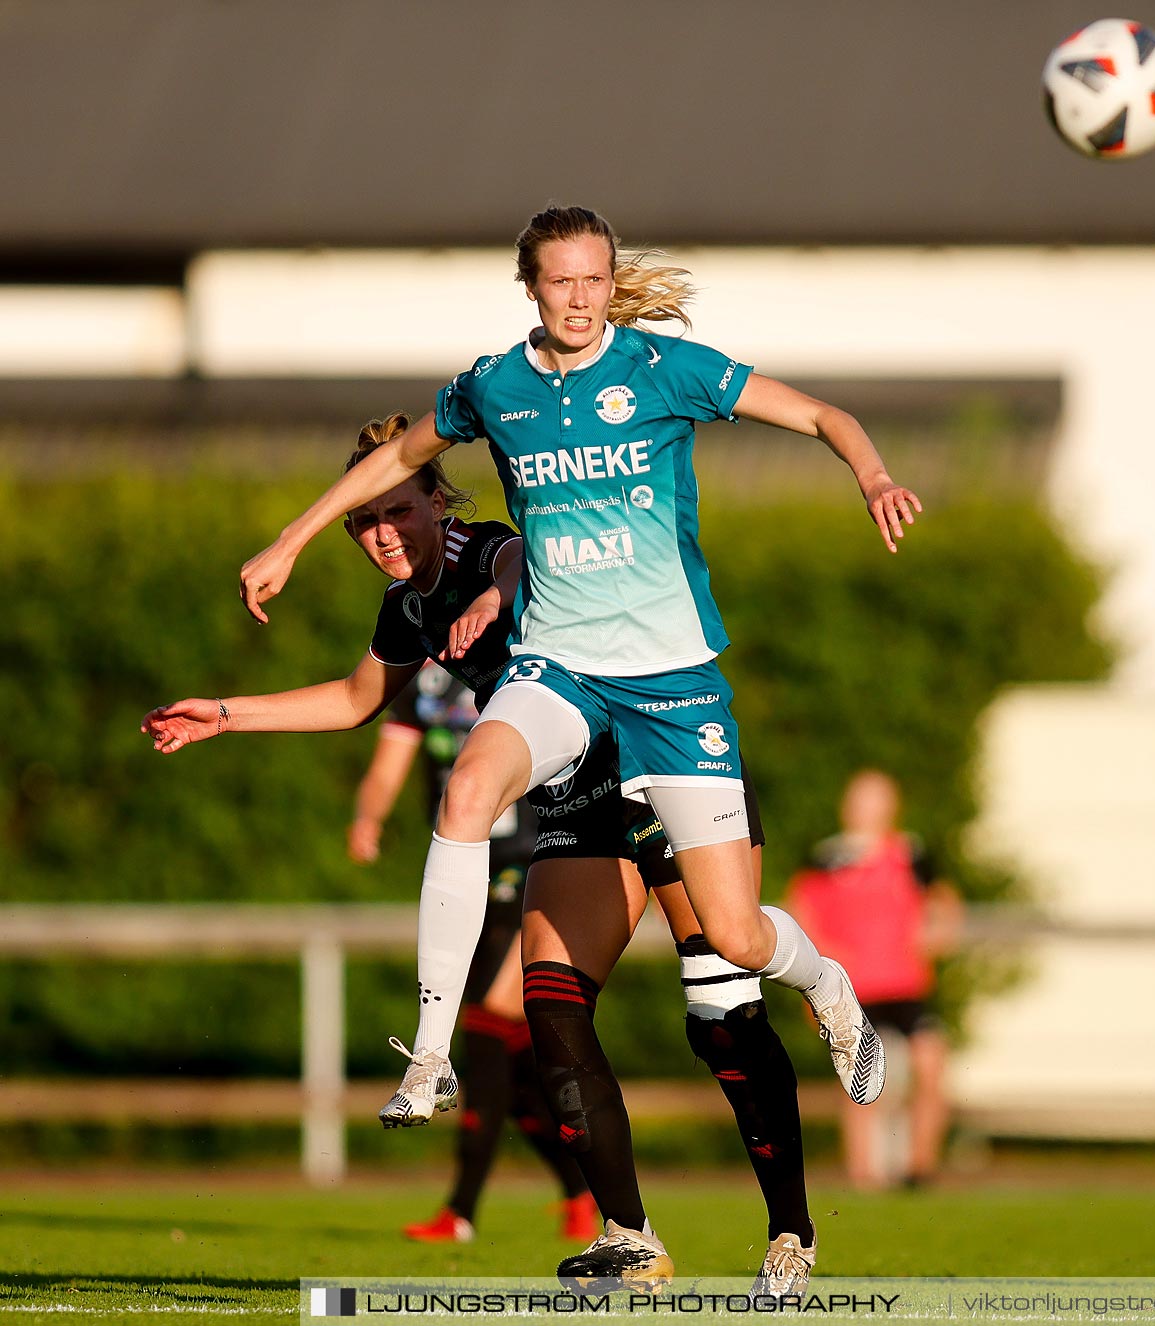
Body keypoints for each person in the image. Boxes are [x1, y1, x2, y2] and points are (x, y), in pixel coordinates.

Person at [236, 207, 916, 1284]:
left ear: (610, 282)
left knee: (735, 952)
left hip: (673, 689)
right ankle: (431, 1062)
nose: (581, 297)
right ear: (532, 288)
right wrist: (290, 537)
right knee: (469, 796)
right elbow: (391, 461)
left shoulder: (665, 369)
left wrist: (872, 473)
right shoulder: (494, 386)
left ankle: (825, 990)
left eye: (596, 278)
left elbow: (824, 414)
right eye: (561, 281)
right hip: (563, 674)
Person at [148, 415, 821, 1292]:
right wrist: (226, 713)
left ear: (437, 499)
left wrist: (494, 599)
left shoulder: (485, 547)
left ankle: (792, 1229)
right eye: (364, 521)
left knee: (722, 1008)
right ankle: (631, 1238)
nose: (382, 533)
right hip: (574, 801)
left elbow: (517, 562)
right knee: (548, 1009)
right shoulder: (406, 605)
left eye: (397, 510)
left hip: (656, 767)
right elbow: (357, 700)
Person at [350, 660, 597, 1245]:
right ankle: (581, 1187)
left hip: (536, 866)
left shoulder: (521, 659)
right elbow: (390, 761)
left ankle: (460, 1211)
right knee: (511, 1074)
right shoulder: (421, 678)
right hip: (466, 875)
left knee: (488, 1022)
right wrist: (368, 817)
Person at [789, 770, 960, 1189]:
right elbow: (802, 915)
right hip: (854, 987)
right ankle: (864, 1174)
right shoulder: (826, 858)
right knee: (861, 1079)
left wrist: (935, 932)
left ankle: (921, 1168)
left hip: (905, 986)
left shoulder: (912, 854)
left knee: (931, 1062)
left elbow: (945, 903)